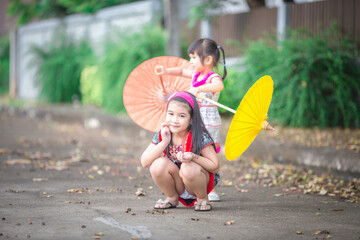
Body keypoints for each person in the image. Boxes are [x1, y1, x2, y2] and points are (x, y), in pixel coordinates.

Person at [154, 38, 227, 202]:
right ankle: (193, 182)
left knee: (208, 153)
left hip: (208, 121)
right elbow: (180, 71)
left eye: (194, 57)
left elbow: (219, 86)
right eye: (190, 57)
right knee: (193, 150)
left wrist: (199, 88)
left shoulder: (211, 78)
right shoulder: (195, 75)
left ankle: (212, 188)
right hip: (194, 121)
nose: (190, 61)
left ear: (208, 60)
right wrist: (165, 70)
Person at [140, 91, 220, 211]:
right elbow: (144, 162)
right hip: (177, 184)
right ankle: (172, 197)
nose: (174, 120)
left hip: (198, 181)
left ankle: (202, 199)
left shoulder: (199, 135)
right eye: (171, 114)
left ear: (191, 119)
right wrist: (164, 142)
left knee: (188, 166)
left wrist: (193, 157)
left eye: (181, 116)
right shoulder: (164, 133)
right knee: (157, 165)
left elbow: (215, 166)